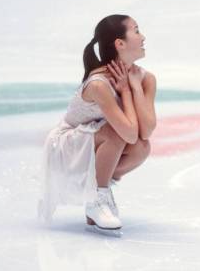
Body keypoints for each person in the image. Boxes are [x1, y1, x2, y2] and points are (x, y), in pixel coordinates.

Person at [39, 15, 157, 233]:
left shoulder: (145, 78)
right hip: (66, 149)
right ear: (119, 43)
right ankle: (97, 198)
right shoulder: (99, 84)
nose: (143, 37)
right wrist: (125, 91)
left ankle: (97, 190)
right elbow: (128, 133)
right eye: (137, 30)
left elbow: (145, 131)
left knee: (142, 148)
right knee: (116, 132)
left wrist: (134, 88)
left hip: (93, 147)